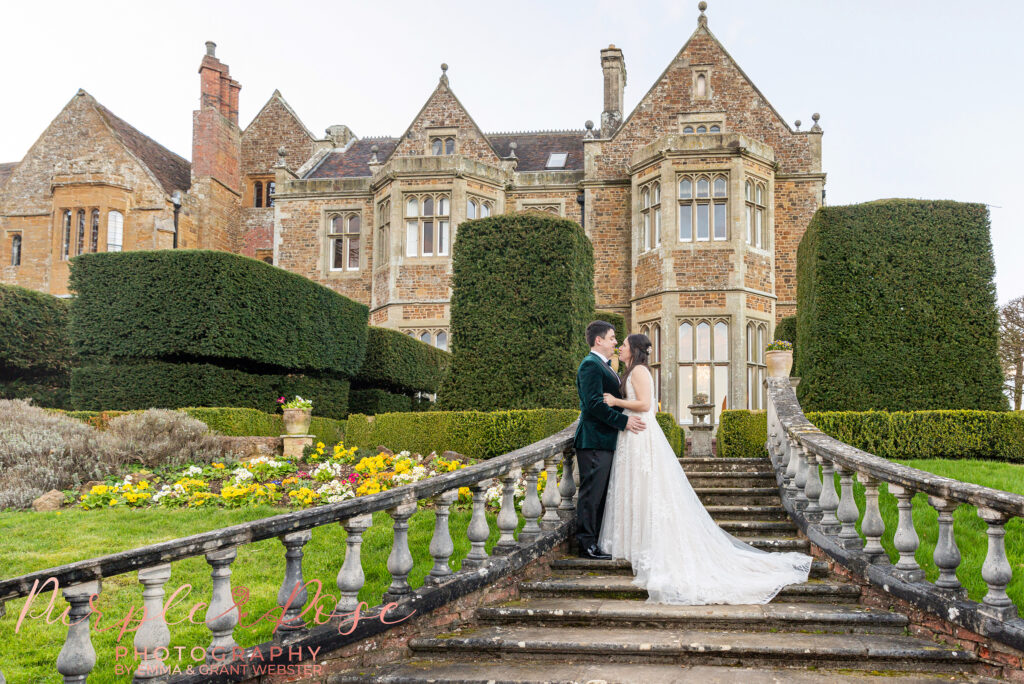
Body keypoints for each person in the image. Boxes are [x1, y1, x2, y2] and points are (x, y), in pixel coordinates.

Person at [598, 333, 812, 604]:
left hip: (640, 433)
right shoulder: (630, 369)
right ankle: (634, 543)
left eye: (625, 344)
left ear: (635, 350)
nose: (621, 347)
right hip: (633, 433)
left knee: (646, 487)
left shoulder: (639, 370)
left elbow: (645, 405)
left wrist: (616, 403)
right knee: (635, 488)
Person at [573, 321, 647, 560]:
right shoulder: (590, 366)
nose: (616, 342)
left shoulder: (605, 366)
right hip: (594, 440)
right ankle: (586, 544)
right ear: (599, 340)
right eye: (613, 338)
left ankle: (595, 541)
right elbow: (594, 405)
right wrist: (623, 422)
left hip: (606, 440)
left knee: (601, 494)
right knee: (592, 494)